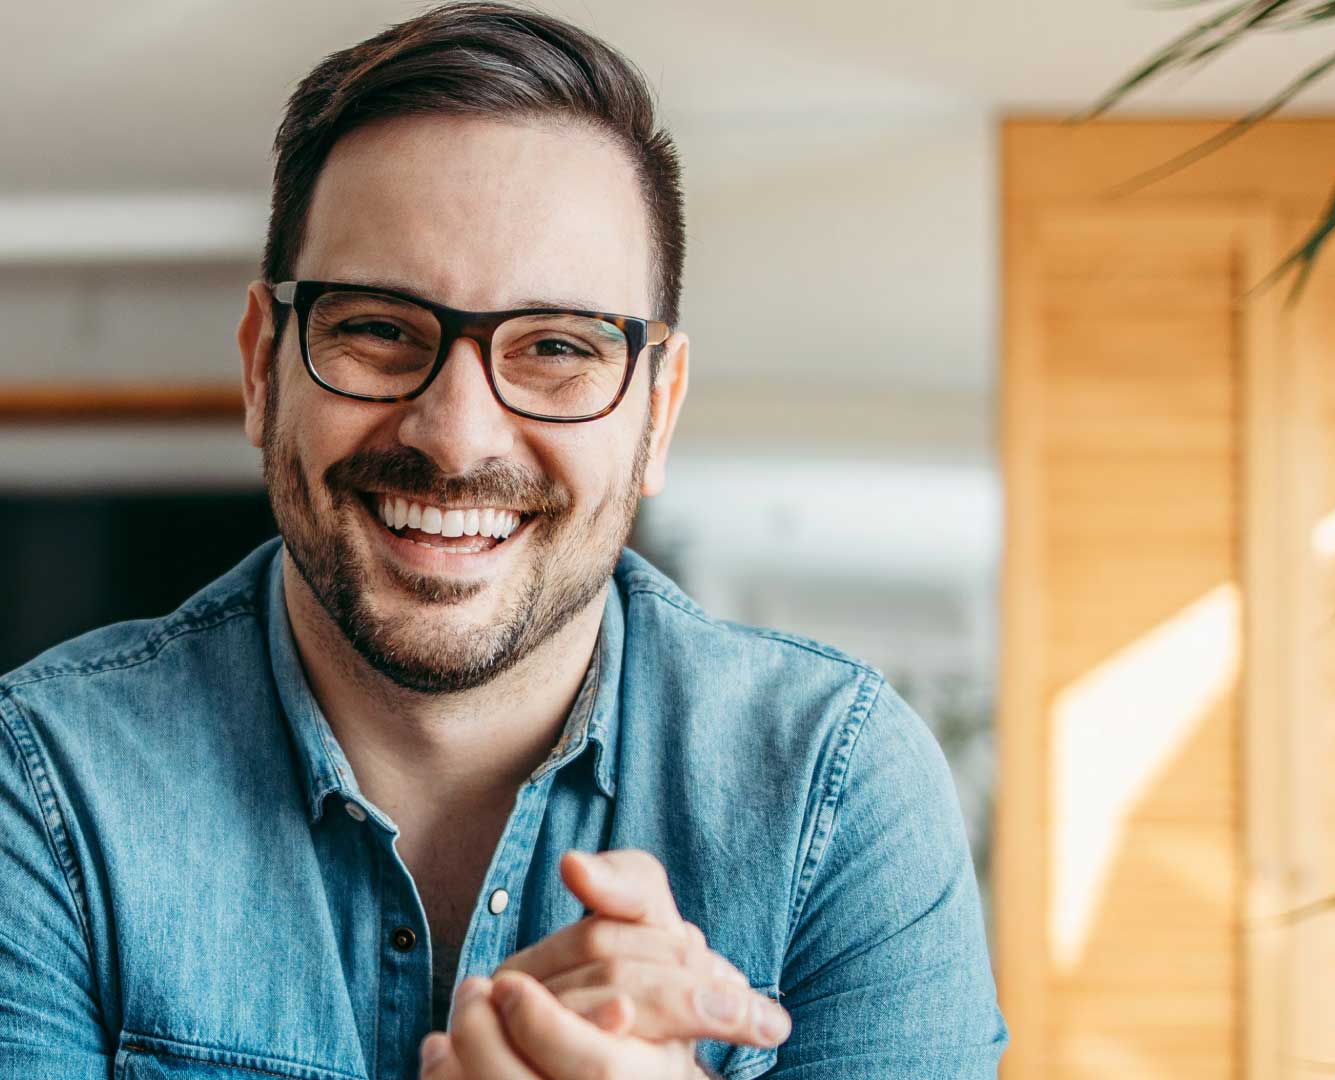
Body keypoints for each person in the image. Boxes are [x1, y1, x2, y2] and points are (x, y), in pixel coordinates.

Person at [0, 4, 1005, 1078]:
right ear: (262, 370)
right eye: (380, 328)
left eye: (558, 346)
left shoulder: (837, 787)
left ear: (656, 414)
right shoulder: (42, 790)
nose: (455, 434)